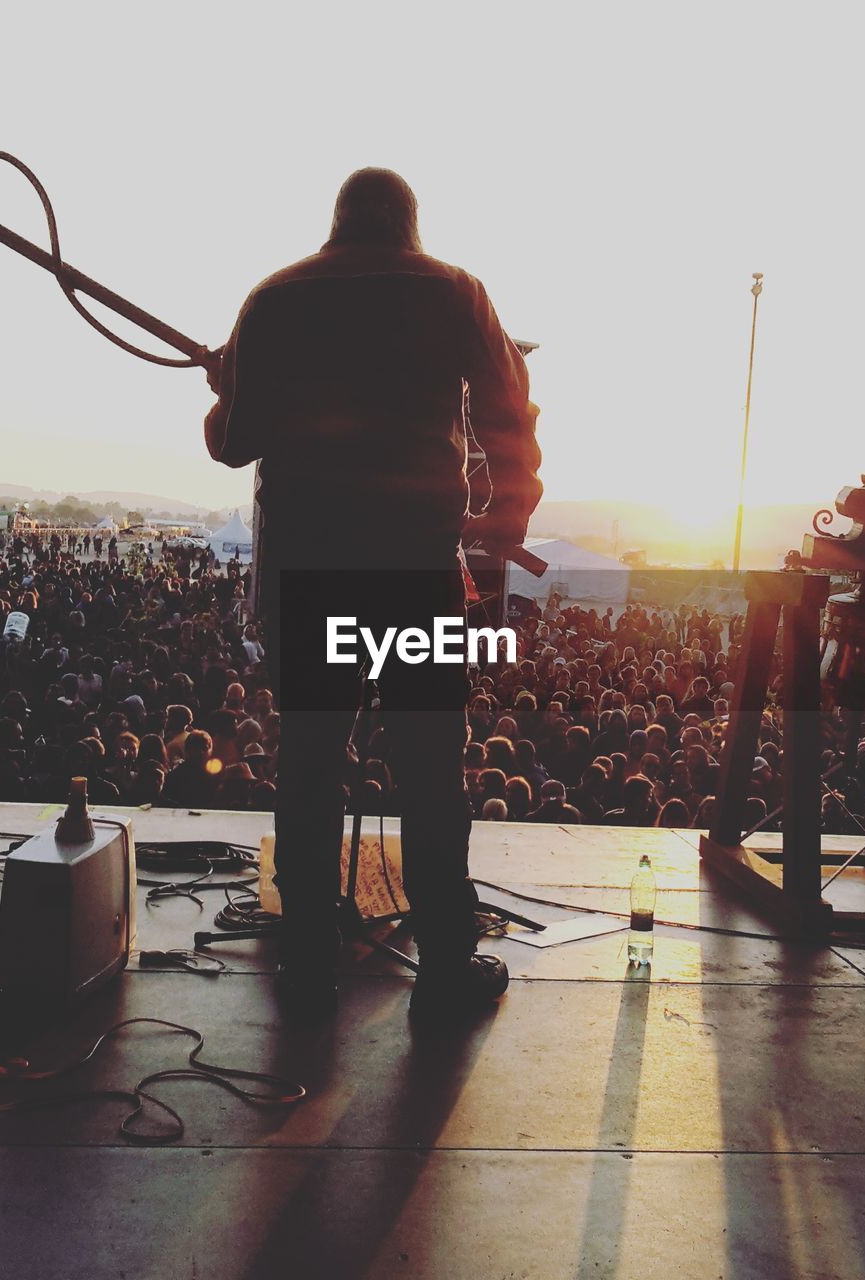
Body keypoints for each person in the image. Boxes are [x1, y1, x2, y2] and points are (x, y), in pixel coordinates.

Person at [202, 167, 542, 1018]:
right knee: (431, 768)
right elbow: (510, 416)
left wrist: (224, 390)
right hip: (414, 570)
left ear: (338, 222)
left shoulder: (273, 298)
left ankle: (309, 962)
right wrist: (502, 532)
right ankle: (446, 967)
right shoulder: (455, 291)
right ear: (409, 226)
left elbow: (235, 442)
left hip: (309, 570)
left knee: (311, 769)